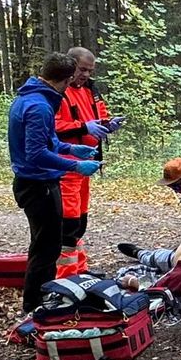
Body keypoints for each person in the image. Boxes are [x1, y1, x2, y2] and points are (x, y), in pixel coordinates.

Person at [8, 53, 101, 313]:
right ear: (65, 79)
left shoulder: (32, 98)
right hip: (37, 184)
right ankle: (35, 305)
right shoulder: (39, 106)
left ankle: (41, 298)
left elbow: (49, 143)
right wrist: (74, 165)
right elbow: (35, 153)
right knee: (46, 249)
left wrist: (72, 149)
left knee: (45, 245)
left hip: (39, 181)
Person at [54, 47, 123, 277]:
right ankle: (65, 277)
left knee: (80, 220)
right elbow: (53, 126)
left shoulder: (90, 89)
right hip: (66, 165)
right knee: (68, 224)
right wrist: (84, 127)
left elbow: (98, 113)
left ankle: (79, 269)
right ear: (70, 65)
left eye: (89, 70)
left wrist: (108, 123)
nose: (85, 74)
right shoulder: (58, 92)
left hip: (85, 164)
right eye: (82, 69)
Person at [116, 158, 181, 270]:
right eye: (172, 187)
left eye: (177, 186)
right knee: (178, 260)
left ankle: (142, 254)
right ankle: (141, 254)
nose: (176, 191)